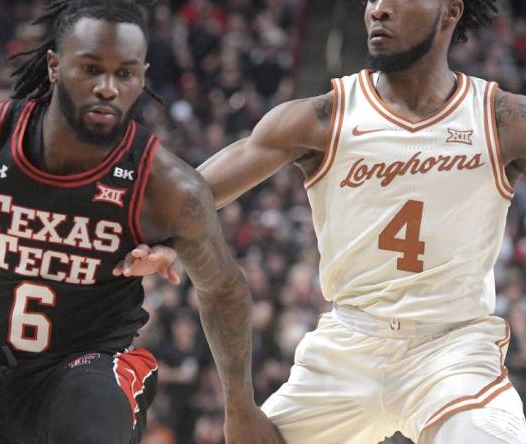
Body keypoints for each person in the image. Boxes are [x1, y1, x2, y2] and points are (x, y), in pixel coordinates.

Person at [0, 1, 282, 443]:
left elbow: (224, 288)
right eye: (90, 69)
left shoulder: (165, 185)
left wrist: (240, 407)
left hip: (90, 372)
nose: (108, 87)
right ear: (54, 65)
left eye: (125, 74)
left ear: (142, 77)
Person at [120, 0, 526, 442]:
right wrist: (165, 240)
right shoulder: (324, 117)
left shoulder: (500, 119)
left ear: (449, 11)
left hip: (453, 349)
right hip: (348, 345)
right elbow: (189, 199)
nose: (378, 10)